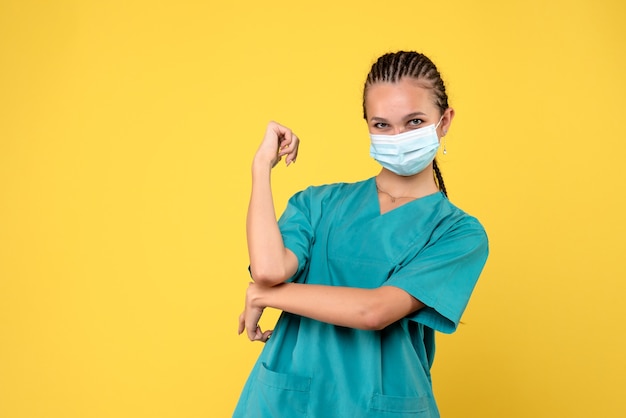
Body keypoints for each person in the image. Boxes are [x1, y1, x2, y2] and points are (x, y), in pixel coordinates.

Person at [234, 51, 489, 418]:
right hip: (287, 402)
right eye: (382, 125)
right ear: (367, 125)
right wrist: (261, 168)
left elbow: (375, 311)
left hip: (383, 404)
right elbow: (269, 271)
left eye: (414, 121)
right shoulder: (317, 204)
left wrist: (269, 297)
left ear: (444, 121)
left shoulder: (457, 233)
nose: (398, 137)